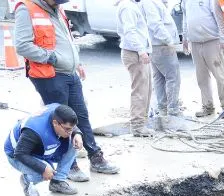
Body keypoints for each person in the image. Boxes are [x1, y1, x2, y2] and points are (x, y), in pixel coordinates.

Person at [14, 0, 120, 176]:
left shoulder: (57, 8)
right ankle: (69, 166)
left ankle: (95, 156)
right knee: (62, 122)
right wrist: (53, 58)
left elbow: (66, 39)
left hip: (69, 72)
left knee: (80, 116)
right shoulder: (27, 8)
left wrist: (75, 62)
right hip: (50, 75)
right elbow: (23, 46)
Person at [5, 103, 83, 196]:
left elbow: (71, 126)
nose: (70, 132)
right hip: (16, 154)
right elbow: (20, 154)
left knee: (75, 142)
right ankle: (26, 181)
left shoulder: (59, 111)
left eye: (72, 128)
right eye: (67, 129)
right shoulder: (33, 130)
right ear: (55, 123)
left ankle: (58, 182)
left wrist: (77, 133)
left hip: (40, 146)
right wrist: (43, 168)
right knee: (43, 173)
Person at [182, 0, 224, 117]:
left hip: (212, 41)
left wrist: (222, 40)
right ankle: (207, 106)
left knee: (220, 76)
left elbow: (218, 17)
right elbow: (185, 18)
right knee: (202, 78)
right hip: (195, 42)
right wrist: (185, 37)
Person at [116, 0, 154, 136]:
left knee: (147, 89)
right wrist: (141, 51)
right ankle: (137, 126)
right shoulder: (128, 7)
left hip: (138, 52)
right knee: (140, 90)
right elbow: (129, 31)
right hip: (134, 53)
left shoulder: (132, 5)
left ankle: (141, 123)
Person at [144, 0, 185, 125]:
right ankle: (172, 110)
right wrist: (168, 40)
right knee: (173, 77)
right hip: (161, 45)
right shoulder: (150, 3)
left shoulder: (154, 3)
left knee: (160, 78)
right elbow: (155, 24)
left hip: (157, 45)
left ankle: (162, 109)